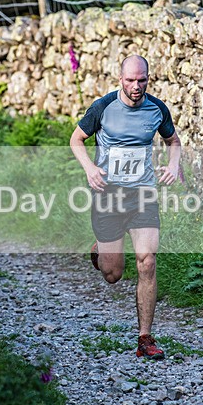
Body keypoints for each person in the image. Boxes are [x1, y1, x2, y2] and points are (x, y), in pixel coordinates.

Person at [70, 55, 182, 360]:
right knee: (113, 274)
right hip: (108, 197)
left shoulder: (156, 109)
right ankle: (101, 246)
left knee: (147, 262)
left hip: (142, 195)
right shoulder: (103, 107)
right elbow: (76, 139)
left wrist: (173, 166)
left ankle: (145, 338)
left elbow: (173, 141)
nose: (136, 86)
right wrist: (90, 169)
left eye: (142, 80)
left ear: (148, 78)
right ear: (120, 79)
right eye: (130, 80)